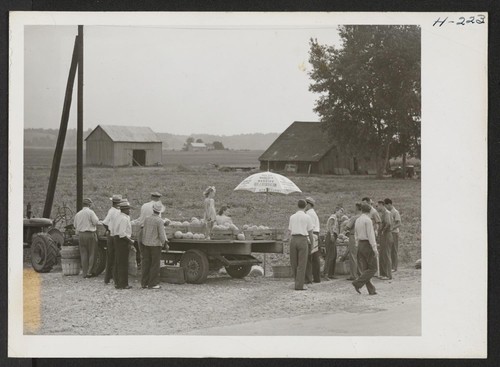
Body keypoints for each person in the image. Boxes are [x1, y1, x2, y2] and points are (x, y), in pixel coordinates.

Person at [286, 199, 314, 291]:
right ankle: (299, 285)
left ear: (297, 206)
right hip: (303, 239)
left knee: (294, 262)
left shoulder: (292, 217)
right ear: (305, 206)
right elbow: (310, 232)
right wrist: (312, 243)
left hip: (293, 239)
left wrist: (288, 240)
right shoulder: (307, 217)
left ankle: (296, 282)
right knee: (302, 263)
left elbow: (289, 231)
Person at [352, 203, 379, 295]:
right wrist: (375, 248)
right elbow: (371, 235)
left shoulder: (358, 220)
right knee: (373, 268)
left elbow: (355, 234)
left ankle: (371, 290)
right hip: (367, 244)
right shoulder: (368, 220)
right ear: (369, 211)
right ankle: (357, 282)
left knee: (365, 269)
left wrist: (357, 244)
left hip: (360, 244)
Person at [132, 192, 164, 266]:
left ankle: (143, 271)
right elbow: (157, 220)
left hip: (142, 230)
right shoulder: (157, 207)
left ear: (151, 197)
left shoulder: (144, 205)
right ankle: (151, 272)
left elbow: (141, 218)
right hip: (152, 232)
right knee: (153, 256)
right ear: (158, 199)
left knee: (144, 254)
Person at [141, 201, 168, 289]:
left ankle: (144, 283)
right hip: (155, 245)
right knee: (155, 264)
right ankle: (152, 283)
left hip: (146, 243)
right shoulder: (159, 221)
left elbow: (144, 231)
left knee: (146, 264)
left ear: (153, 209)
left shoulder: (147, 218)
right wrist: (165, 243)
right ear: (160, 211)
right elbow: (161, 234)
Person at [73, 198, 99, 278]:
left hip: (81, 235)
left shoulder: (78, 214)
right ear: (89, 204)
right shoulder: (91, 212)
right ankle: (90, 272)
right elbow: (96, 222)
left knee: (83, 253)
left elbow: (75, 225)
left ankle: (84, 272)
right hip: (90, 234)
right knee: (92, 253)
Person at [113, 200, 134, 289]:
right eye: (128, 209)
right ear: (124, 210)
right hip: (122, 241)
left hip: (117, 240)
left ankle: (117, 282)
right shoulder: (124, 219)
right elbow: (122, 233)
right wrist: (130, 241)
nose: (129, 211)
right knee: (123, 263)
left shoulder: (118, 217)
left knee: (118, 262)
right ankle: (123, 284)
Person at [101, 194, 122, 285]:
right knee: (116, 257)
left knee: (110, 257)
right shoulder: (117, 212)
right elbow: (105, 222)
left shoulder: (111, 210)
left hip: (111, 236)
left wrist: (108, 229)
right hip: (115, 236)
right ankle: (114, 277)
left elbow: (105, 222)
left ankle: (107, 278)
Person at [322, 205, 344, 280]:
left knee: (334, 255)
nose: (341, 213)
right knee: (330, 255)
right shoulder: (333, 217)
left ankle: (331, 273)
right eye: (340, 211)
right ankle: (326, 273)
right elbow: (329, 225)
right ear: (336, 210)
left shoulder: (337, 219)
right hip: (330, 235)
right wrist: (331, 234)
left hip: (334, 236)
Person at [343, 203, 362, 281]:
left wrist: (344, 226)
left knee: (353, 256)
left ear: (357, 208)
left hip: (353, 236)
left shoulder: (354, 218)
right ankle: (360, 273)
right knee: (360, 256)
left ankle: (353, 275)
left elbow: (347, 227)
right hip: (361, 237)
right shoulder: (364, 217)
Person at [305, 197, 321, 283]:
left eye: (306, 204)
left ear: (309, 204)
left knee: (309, 257)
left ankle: (309, 278)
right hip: (315, 234)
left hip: (312, 234)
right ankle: (316, 277)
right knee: (315, 258)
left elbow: (310, 227)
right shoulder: (312, 213)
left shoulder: (309, 214)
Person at [376, 200, 394, 280]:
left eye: (378, 206)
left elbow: (388, 223)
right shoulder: (383, 213)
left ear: (382, 205)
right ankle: (384, 273)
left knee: (386, 255)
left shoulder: (387, 213)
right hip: (384, 235)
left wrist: (382, 230)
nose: (377, 207)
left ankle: (388, 275)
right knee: (383, 254)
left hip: (387, 235)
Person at [384, 198, 401, 272]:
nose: (385, 207)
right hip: (389, 233)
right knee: (389, 250)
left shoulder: (395, 212)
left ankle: (394, 267)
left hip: (394, 233)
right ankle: (390, 266)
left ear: (389, 204)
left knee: (394, 250)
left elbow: (399, 223)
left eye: (386, 205)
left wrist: (392, 228)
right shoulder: (388, 212)